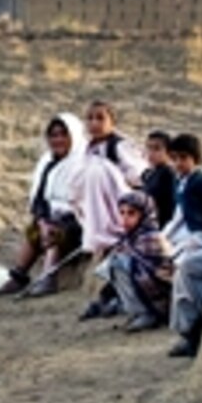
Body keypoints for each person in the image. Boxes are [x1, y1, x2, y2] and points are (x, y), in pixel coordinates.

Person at [0, 112, 86, 297]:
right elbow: (39, 199)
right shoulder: (47, 161)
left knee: (54, 231)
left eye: (63, 134)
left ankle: (48, 278)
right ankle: (19, 276)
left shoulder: (83, 161)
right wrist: (43, 220)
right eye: (53, 135)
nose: (58, 139)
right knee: (34, 229)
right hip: (52, 218)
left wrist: (53, 221)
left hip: (79, 223)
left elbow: (84, 203)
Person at [78, 100, 149, 320]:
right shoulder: (89, 148)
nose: (95, 123)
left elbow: (137, 174)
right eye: (90, 118)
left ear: (112, 121)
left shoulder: (118, 146)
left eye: (100, 118)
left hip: (121, 207)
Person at [161, 133, 202, 357]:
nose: (178, 163)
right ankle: (191, 331)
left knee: (187, 269)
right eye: (175, 158)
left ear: (195, 158)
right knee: (181, 278)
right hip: (192, 239)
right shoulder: (180, 183)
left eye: (183, 158)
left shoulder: (201, 180)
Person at [101, 191, 174, 332]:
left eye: (131, 213)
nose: (125, 219)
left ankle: (147, 314)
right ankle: (137, 312)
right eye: (122, 213)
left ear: (144, 214)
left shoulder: (152, 237)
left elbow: (160, 274)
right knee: (112, 265)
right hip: (148, 291)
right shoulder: (132, 236)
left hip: (161, 298)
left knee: (118, 263)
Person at [142, 130, 177, 228]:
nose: (151, 153)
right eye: (149, 148)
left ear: (169, 152)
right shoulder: (149, 173)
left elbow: (171, 207)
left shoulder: (168, 174)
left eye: (157, 149)